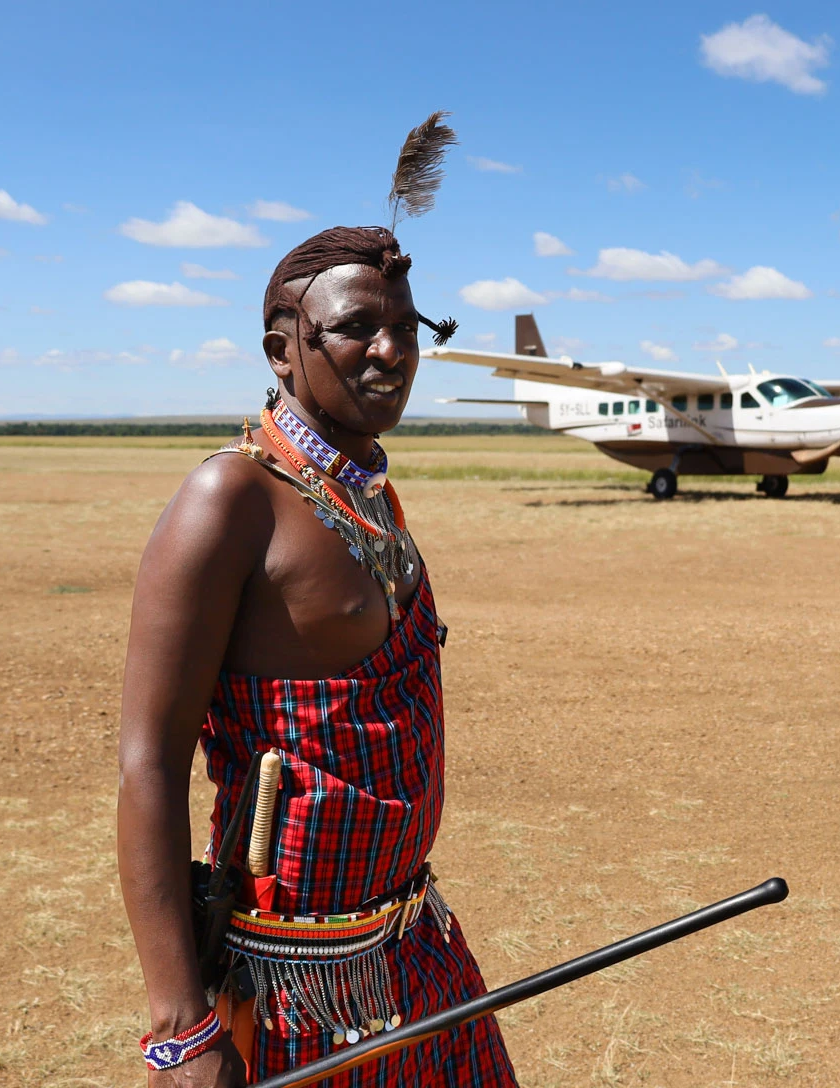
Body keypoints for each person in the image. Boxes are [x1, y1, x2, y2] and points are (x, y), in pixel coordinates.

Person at [117, 224, 515, 1087]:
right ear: (282, 349)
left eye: (409, 330)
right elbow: (147, 762)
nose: (391, 351)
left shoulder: (367, 490)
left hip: (419, 947)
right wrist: (180, 1028)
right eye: (357, 328)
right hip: (290, 986)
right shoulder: (230, 500)